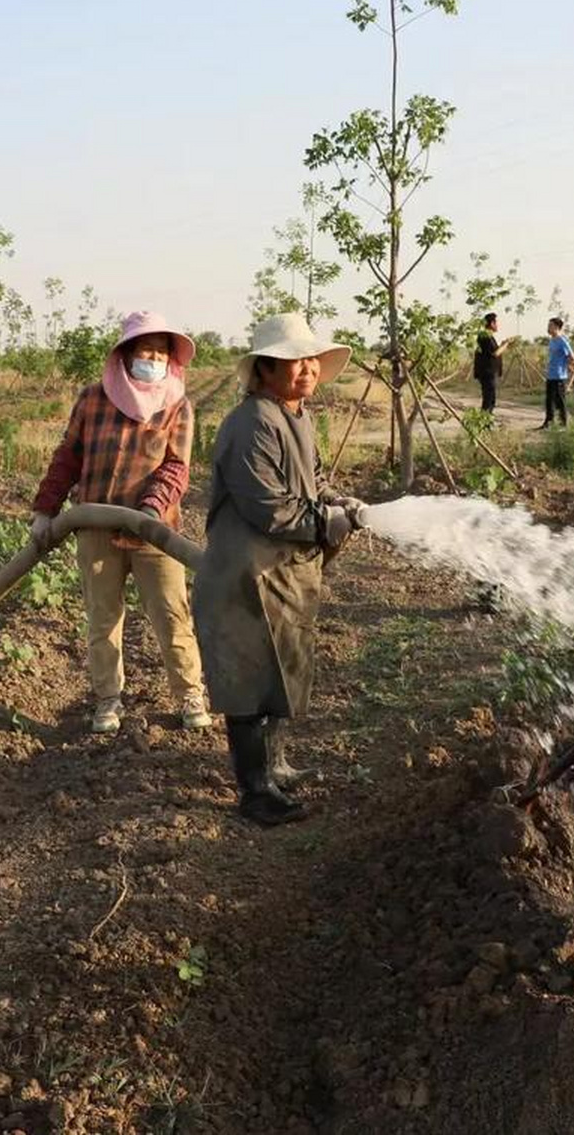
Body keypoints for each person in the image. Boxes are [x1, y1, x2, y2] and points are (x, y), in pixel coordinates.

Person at [192, 313, 363, 827]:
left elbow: (310, 482)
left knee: (279, 672)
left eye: (311, 359)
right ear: (264, 370)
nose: (307, 368)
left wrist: (335, 501)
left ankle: (276, 764)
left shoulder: (297, 415)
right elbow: (271, 507)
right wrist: (327, 521)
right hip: (247, 575)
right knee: (247, 679)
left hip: (283, 572)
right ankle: (255, 790)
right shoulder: (251, 424)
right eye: (293, 361)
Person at [31, 312, 211, 735]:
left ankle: (189, 693)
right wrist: (46, 510)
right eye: (144, 351)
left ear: (171, 361)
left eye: (160, 353)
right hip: (94, 526)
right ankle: (108, 700)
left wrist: (147, 512)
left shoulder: (177, 406)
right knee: (102, 617)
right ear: (125, 356)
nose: (152, 359)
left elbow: (175, 469)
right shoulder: (94, 399)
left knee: (171, 615)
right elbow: (67, 457)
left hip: (155, 531)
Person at [538, 316, 574, 429]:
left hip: (559, 376)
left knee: (560, 401)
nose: (548, 328)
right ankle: (548, 423)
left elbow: (572, 357)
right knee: (549, 400)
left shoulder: (562, 341)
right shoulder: (552, 341)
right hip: (551, 375)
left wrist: (565, 366)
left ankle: (563, 424)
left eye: (551, 326)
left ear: (557, 327)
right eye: (548, 326)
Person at [472, 312, 506, 413]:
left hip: (488, 373)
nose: (497, 325)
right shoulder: (485, 336)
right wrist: (506, 344)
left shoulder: (488, 337)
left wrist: (502, 345)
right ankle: (483, 423)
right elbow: (495, 353)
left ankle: (486, 422)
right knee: (489, 400)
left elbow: (491, 352)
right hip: (488, 373)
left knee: (490, 399)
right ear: (492, 324)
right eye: (496, 323)